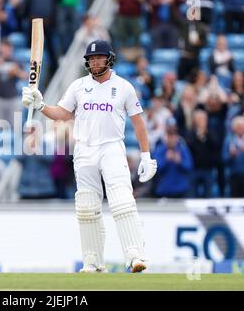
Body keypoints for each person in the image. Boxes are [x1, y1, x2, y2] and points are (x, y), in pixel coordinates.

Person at [22, 39, 157, 273]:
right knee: (86, 206)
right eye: (91, 59)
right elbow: (62, 114)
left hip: (112, 147)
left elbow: (138, 122)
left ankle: (135, 255)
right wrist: (41, 104)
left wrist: (146, 155)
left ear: (109, 59)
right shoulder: (78, 86)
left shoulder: (124, 87)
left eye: (99, 58)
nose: (94, 62)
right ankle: (93, 261)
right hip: (84, 149)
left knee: (121, 200)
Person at [0, 39, 27, 127]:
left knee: (16, 127)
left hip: (13, 99)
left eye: (8, 49)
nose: (6, 51)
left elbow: (26, 77)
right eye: (4, 49)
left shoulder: (16, 62)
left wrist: (17, 71)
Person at [152, 120, 194, 198]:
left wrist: (180, 162)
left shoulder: (183, 149)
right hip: (164, 191)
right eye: (169, 136)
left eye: (173, 136)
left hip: (181, 191)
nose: (171, 139)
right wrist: (166, 160)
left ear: (177, 137)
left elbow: (189, 167)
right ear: (166, 137)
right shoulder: (159, 150)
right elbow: (155, 170)